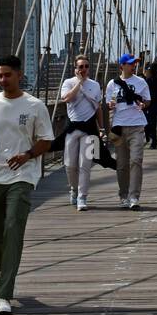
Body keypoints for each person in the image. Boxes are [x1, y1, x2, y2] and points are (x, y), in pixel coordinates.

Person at [0, 55, 53, 315]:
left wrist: (28, 155)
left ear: (19, 75)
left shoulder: (35, 106)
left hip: (22, 176)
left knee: (12, 228)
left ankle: (3, 295)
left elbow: (47, 140)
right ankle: (7, 266)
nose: (3, 80)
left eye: (7, 75)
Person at [105, 53, 151, 209]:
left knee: (136, 161)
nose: (134, 66)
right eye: (131, 63)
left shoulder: (141, 82)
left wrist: (144, 105)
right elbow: (109, 102)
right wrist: (110, 105)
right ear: (122, 65)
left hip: (137, 126)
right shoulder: (112, 84)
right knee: (122, 165)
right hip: (119, 127)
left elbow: (148, 100)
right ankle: (123, 195)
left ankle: (134, 197)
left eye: (135, 63)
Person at [59, 53, 102, 210]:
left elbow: (98, 108)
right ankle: (74, 189)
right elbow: (67, 98)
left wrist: (102, 128)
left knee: (85, 164)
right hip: (72, 128)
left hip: (89, 128)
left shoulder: (95, 85)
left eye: (86, 66)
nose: (84, 69)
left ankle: (82, 197)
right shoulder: (68, 82)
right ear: (75, 68)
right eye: (80, 66)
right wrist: (80, 83)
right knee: (70, 164)